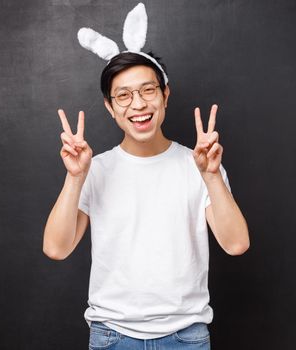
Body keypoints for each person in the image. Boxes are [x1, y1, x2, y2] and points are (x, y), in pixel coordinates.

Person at [42, 51, 250, 349]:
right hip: (112, 335)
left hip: (185, 336)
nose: (138, 104)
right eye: (123, 96)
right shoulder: (95, 169)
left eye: (148, 90)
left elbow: (236, 244)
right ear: (110, 107)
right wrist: (75, 177)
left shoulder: (200, 165)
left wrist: (212, 176)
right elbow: (56, 248)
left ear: (165, 95)